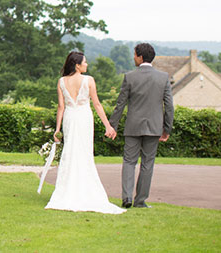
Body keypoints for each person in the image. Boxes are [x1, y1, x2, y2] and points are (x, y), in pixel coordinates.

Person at [45, 51, 125, 214]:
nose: (87, 65)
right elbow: (97, 104)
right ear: (77, 65)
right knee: (84, 153)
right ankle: (84, 190)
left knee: (71, 152)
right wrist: (108, 126)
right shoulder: (88, 80)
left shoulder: (61, 81)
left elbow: (61, 107)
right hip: (83, 118)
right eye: (85, 62)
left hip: (69, 118)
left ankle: (68, 190)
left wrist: (57, 129)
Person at [109, 42, 174, 209]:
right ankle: (140, 201)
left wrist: (112, 126)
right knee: (147, 163)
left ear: (140, 57)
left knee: (129, 162)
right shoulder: (163, 77)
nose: (133, 57)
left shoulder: (129, 77)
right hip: (154, 127)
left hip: (133, 126)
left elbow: (120, 104)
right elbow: (169, 106)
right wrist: (167, 129)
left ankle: (126, 198)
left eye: (135, 54)